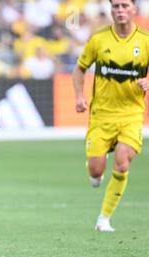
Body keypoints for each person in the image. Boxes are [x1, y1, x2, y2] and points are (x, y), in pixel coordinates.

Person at [72, 0, 149, 232]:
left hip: (131, 114)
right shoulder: (99, 39)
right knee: (96, 170)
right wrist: (78, 96)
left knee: (122, 162)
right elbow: (79, 69)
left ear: (134, 9)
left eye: (125, 5)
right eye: (116, 6)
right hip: (101, 114)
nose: (120, 10)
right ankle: (96, 172)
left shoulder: (145, 40)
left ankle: (104, 218)